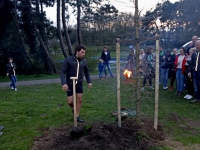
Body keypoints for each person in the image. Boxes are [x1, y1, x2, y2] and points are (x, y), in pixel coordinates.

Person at [60, 45, 92, 122]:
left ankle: (77, 116)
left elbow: (86, 72)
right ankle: (74, 109)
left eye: (84, 52)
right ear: (77, 51)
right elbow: (62, 72)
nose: (84, 54)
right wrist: (64, 83)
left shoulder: (84, 61)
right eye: (82, 52)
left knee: (79, 100)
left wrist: (89, 81)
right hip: (70, 83)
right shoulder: (69, 60)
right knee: (70, 102)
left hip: (79, 83)